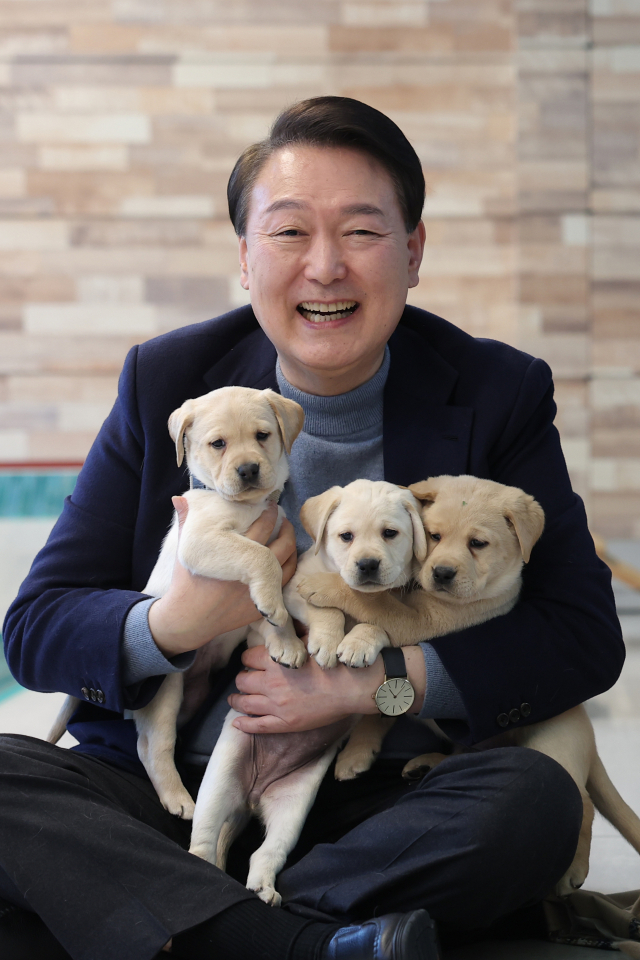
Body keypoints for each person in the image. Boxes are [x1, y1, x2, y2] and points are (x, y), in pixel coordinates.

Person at [0, 97, 623, 960]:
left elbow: (582, 636)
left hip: (381, 795)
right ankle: (302, 941)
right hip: (168, 788)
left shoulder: (496, 392)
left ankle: (184, 919)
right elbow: (35, 628)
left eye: (361, 232)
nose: (325, 267)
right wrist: (174, 623)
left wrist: (375, 687)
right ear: (245, 258)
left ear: (413, 253)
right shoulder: (167, 382)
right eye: (290, 232)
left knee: (533, 801)